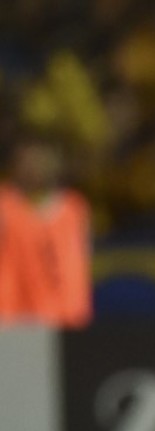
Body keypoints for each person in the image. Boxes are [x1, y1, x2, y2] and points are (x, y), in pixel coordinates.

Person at [0, 132, 92, 329]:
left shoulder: (75, 208)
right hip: (12, 323)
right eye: (28, 160)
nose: (35, 167)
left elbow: (79, 266)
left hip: (66, 321)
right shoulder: (4, 206)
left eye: (42, 158)